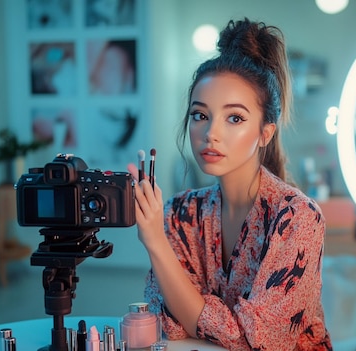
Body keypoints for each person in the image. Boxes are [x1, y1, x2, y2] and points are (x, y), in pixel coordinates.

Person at [127, 18, 332, 350]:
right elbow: (169, 322)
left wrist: (159, 246)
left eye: (234, 117)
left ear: (266, 131)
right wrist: (154, 239)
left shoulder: (297, 219)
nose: (211, 133)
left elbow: (261, 342)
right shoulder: (181, 213)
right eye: (200, 115)